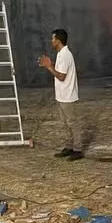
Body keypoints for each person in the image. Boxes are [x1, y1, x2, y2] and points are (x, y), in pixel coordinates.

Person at [39, 28, 82, 160]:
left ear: (58, 40)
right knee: (65, 123)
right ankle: (69, 147)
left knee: (72, 123)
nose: (51, 41)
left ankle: (78, 149)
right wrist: (51, 65)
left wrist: (49, 67)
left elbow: (61, 76)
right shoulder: (60, 54)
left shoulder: (65, 55)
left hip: (68, 96)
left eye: (52, 39)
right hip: (62, 95)